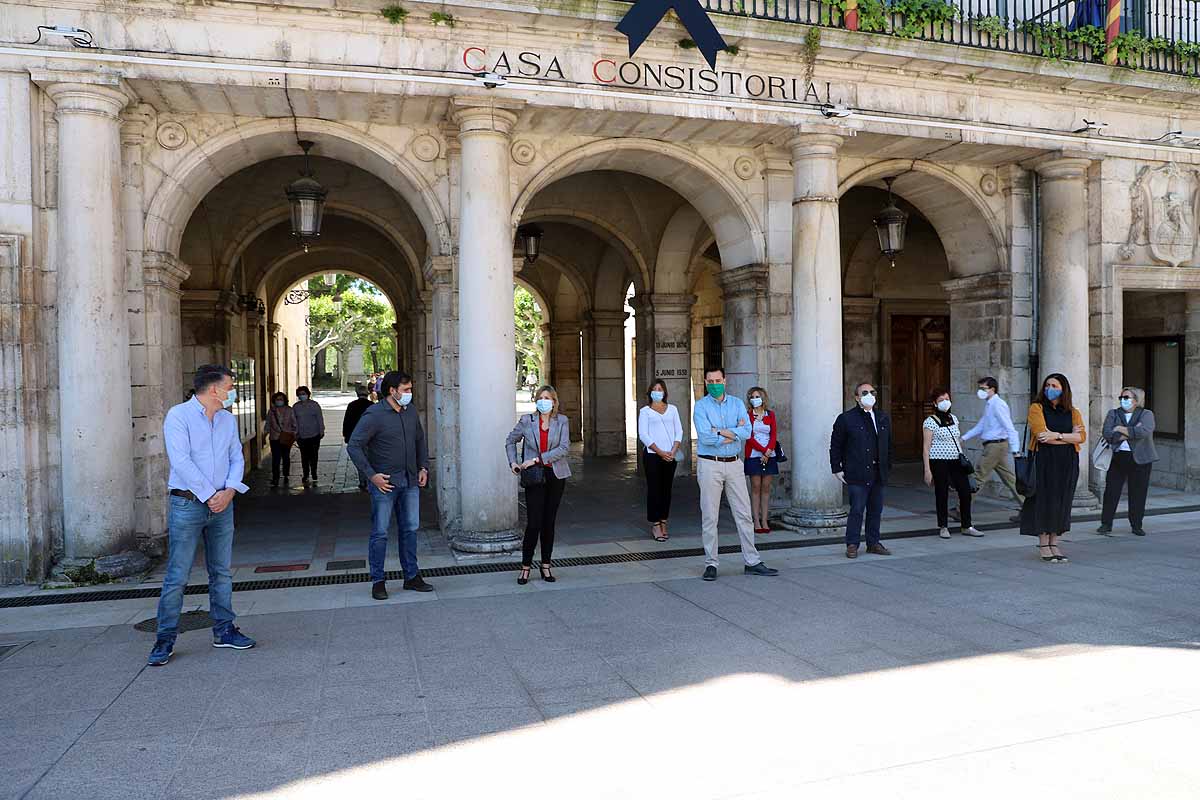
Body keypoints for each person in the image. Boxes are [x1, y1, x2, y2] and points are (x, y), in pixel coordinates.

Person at [148, 364, 255, 666]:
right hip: (188, 504)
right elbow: (181, 462)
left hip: (223, 504)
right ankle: (164, 639)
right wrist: (211, 496)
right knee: (177, 576)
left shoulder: (226, 420)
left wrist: (230, 491)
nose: (232, 392)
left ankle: (224, 630)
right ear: (213, 390)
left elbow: (237, 457)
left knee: (220, 571)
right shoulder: (178, 417)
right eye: (230, 387)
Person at [347, 370, 433, 598]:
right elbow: (354, 446)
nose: (409, 394)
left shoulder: (411, 411)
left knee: (410, 529)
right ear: (392, 391)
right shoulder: (374, 415)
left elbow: (420, 440)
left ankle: (412, 576)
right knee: (380, 533)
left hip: (410, 481)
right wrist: (371, 476)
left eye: (410, 389)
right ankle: (378, 580)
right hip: (384, 484)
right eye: (406, 390)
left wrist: (423, 467)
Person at [693, 366, 779, 581]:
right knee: (710, 517)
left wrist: (719, 431)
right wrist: (732, 433)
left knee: (743, 513)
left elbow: (747, 431)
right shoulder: (701, 407)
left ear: (725, 380)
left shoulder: (738, 404)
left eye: (717, 380)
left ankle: (752, 560)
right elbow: (705, 438)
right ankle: (711, 563)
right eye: (710, 381)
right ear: (705, 382)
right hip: (709, 464)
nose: (714, 384)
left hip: (734, 464)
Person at [507, 385, 571, 584]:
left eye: (548, 398)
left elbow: (564, 448)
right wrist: (513, 462)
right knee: (534, 522)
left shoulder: (562, 421)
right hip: (534, 477)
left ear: (554, 401)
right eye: (541, 397)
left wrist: (536, 459)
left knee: (548, 522)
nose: (544, 401)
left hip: (556, 475)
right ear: (536, 400)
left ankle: (546, 565)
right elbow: (510, 440)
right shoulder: (527, 420)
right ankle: (525, 566)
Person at [1021, 373, 1087, 563]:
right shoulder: (1037, 408)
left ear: (1063, 389)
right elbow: (1041, 435)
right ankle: (1043, 543)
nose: (1050, 388)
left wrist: (1056, 435)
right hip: (1044, 460)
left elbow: (1081, 438)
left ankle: (1055, 542)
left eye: (1055, 385)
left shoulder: (1073, 411)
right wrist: (1067, 437)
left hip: (1067, 462)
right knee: (1044, 500)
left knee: (1061, 501)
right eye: (1047, 385)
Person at [830, 381, 894, 559]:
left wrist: (888, 466)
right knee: (857, 509)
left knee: (876, 510)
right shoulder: (846, 419)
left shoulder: (882, 417)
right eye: (864, 393)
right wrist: (837, 468)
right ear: (857, 397)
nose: (869, 395)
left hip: (878, 472)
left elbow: (888, 445)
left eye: (872, 392)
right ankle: (852, 544)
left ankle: (873, 542)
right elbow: (836, 445)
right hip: (857, 472)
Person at [922, 388, 984, 540]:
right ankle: (943, 526)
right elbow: (926, 446)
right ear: (935, 403)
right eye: (941, 400)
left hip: (956, 459)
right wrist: (927, 470)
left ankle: (967, 525)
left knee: (965, 492)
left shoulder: (953, 418)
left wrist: (962, 456)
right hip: (939, 461)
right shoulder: (930, 421)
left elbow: (956, 440)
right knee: (941, 493)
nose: (945, 402)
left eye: (947, 399)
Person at [1098, 386, 1157, 536]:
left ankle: (1136, 524)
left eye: (1127, 398)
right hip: (1118, 457)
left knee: (1138, 492)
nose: (1123, 400)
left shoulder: (1146, 414)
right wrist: (1131, 432)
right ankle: (1106, 523)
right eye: (1121, 397)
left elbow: (1144, 431)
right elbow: (1107, 433)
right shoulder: (1113, 413)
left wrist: (1119, 429)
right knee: (1111, 491)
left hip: (1141, 459)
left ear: (1136, 401)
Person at [961, 376, 1023, 516]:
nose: (980, 391)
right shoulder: (990, 404)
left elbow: (1009, 427)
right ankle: (1029, 508)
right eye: (980, 388)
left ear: (992, 389)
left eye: (983, 388)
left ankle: (961, 509)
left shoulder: (998, 405)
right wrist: (964, 437)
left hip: (995, 447)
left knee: (978, 477)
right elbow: (982, 425)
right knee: (1010, 479)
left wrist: (1015, 450)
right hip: (996, 446)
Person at [637, 379, 682, 542]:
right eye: (654, 389)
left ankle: (664, 521)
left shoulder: (673, 410)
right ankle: (655, 523)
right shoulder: (645, 411)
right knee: (654, 489)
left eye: (660, 389)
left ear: (665, 392)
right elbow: (644, 435)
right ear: (650, 392)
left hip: (670, 455)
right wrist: (660, 452)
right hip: (652, 455)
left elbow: (679, 431)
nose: (657, 391)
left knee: (666, 490)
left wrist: (673, 450)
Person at [744, 386, 780, 535]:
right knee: (755, 487)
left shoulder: (770, 415)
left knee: (766, 488)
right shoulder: (747, 415)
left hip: (769, 455)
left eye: (757, 396)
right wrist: (762, 450)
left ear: (763, 398)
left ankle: (765, 519)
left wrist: (769, 451)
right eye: (752, 397)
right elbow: (749, 436)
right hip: (754, 454)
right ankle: (756, 520)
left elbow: (773, 434)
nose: (754, 399)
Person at [343, 385, 373, 490]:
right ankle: (369, 480)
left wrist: (346, 435)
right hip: (369, 438)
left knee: (360, 460)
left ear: (357, 393)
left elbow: (346, 422)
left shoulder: (352, 405)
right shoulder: (371, 405)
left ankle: (363, 481)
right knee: (369, 459)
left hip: (355, 437)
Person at [293, 386, 324, 483]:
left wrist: (321, 430)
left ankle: (314, 472)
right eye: (300, 394)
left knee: (314, 455)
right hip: (301, 435)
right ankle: (306, 473)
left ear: (308, 394)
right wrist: (295, 433)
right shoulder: (296, 407)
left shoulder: (314, 405)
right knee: (304, 456)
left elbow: (319, 418)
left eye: (304, 394)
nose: (302, 396)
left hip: (314, 434)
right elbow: (294, 421)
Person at [265, 391, 297, 487]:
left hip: (286, 437)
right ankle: (275, 478)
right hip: (274, 438)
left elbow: (294, 423)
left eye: (281, 399)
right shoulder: (271, 411)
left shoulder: (290, 410)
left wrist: (294, 434)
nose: (279, 401)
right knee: (276, 458)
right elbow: (268, 423)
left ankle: (286, 474)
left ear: (284, 400)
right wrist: (265, 434)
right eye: (277, 399)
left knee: (286, 456)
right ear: (274, 401)